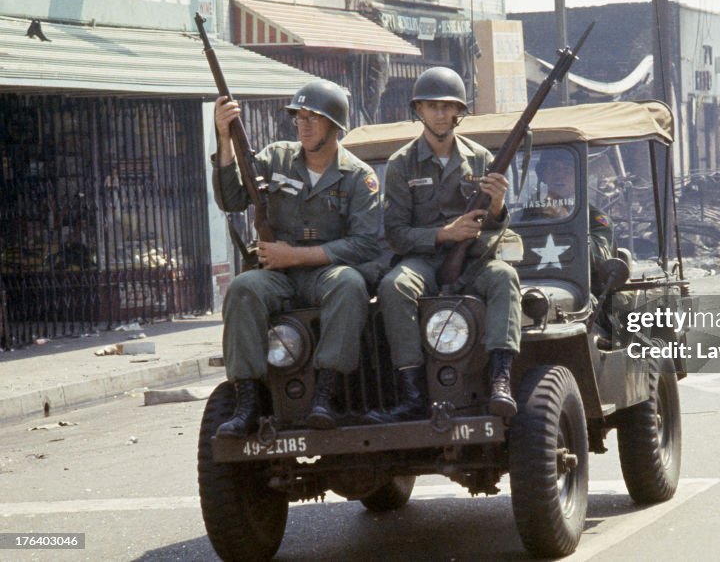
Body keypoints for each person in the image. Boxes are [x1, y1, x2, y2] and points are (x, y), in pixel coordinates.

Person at [211, 79, 380, 437]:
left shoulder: (358, 177)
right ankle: (246, 399)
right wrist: (224, 139)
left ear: (334, 126)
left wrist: (297, 255)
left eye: (313, 118)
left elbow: (366, 244)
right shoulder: (276, 159)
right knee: (243, 288)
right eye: (298, 117)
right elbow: (231, 200)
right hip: (276, 274)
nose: (303, 125)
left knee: (350, 284)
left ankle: (325, 391)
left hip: (325, 273)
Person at [372, 67, 521, 423]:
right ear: (419, 111)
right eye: (432, 106)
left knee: (504, 278)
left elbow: (496, 224)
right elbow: (395, 232)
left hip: (472, 260)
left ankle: (500, 378)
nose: (440, 114)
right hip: (422, 260)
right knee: (394, 287)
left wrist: (498, 206)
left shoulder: (482, 159)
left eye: (447, 107)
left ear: (459, 112)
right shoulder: (400, 164)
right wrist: (443, 234)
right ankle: (412, 392)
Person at [526, 149, 617, 286]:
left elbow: (601, 259)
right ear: (543, 174)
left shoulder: (596, 219)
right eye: (552, 168)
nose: (559, 175)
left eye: (567, 169)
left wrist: (566, 220)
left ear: (579, 175)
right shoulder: (524, 216)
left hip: (584, 292)